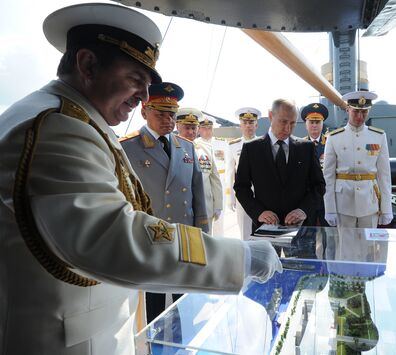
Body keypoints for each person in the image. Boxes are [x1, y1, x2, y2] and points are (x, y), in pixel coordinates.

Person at [0, 4, 281, 355]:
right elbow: (110, 235)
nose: (144, 98)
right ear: (87, 64)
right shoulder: (57, 128)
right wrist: (237, 258)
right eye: (136, 79)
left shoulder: (74, 120)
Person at [119, 83, 209, 323]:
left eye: (171, 114)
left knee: (186, 302)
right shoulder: (127, 147)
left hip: (185, 235)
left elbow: (198, 193)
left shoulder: (187, 147)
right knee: (154, 307)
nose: (167, 120)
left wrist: (203, 235)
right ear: (144, 111)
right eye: (160, 113)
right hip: (150, 237)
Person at [234, 99, 326, 232]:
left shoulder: (306, 149)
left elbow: (319, 186)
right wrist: (259, 212)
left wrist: (303, 210)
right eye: (283, 122)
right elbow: (241, 188)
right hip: (265, 226)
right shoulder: (251, 149)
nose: (288, 129)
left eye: (293, 123)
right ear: (271, 116)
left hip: (300, 227)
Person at [323, 90, 393, 228]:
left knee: (369, 248)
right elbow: (328, 177)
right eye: (356, 111)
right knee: (346, 248)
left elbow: (384, 175)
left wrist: (386, 208)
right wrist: (329, 208)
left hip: (369, 202)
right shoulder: (334, 137)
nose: (360, 116)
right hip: (343, 203)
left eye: (364, 112)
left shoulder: (378, 136)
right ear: (348, 109)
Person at [177, 108, 223, 234]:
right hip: (181, 210)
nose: (191, 132)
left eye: (194, 128)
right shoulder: (171, 149)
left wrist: (218, 205)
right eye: (187, 127)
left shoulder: (206, 149)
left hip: (205, 209)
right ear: (178, 127)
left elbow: (215, 179)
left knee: (205, 245)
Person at [225, 107, 261, 240]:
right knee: (245, 232)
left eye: (251, 123)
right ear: (240, 125)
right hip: (243, 194)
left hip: (262, 193)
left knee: (263, 231)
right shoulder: (233, 146)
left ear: (256, 125)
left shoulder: (264, 144)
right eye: (245, 123)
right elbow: (229, 173)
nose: (248, 126)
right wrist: (230, 197)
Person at [301, 102, 330, 227]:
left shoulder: (330, 143)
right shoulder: (299, 145)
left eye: (317, 122)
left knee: (329, 236)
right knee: (307, 236)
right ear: (306, 124)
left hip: (327, 198)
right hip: (307, 198)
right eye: (311, 122)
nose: (314, 125)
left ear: (322, 123)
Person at [196, 113, 225, 235]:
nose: (207, 131)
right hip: (204, 189)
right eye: (204, 128)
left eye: (209, 128)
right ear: (199, 129)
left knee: (219, 226)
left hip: (220, 185)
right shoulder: (195, 144)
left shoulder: (222, 143)